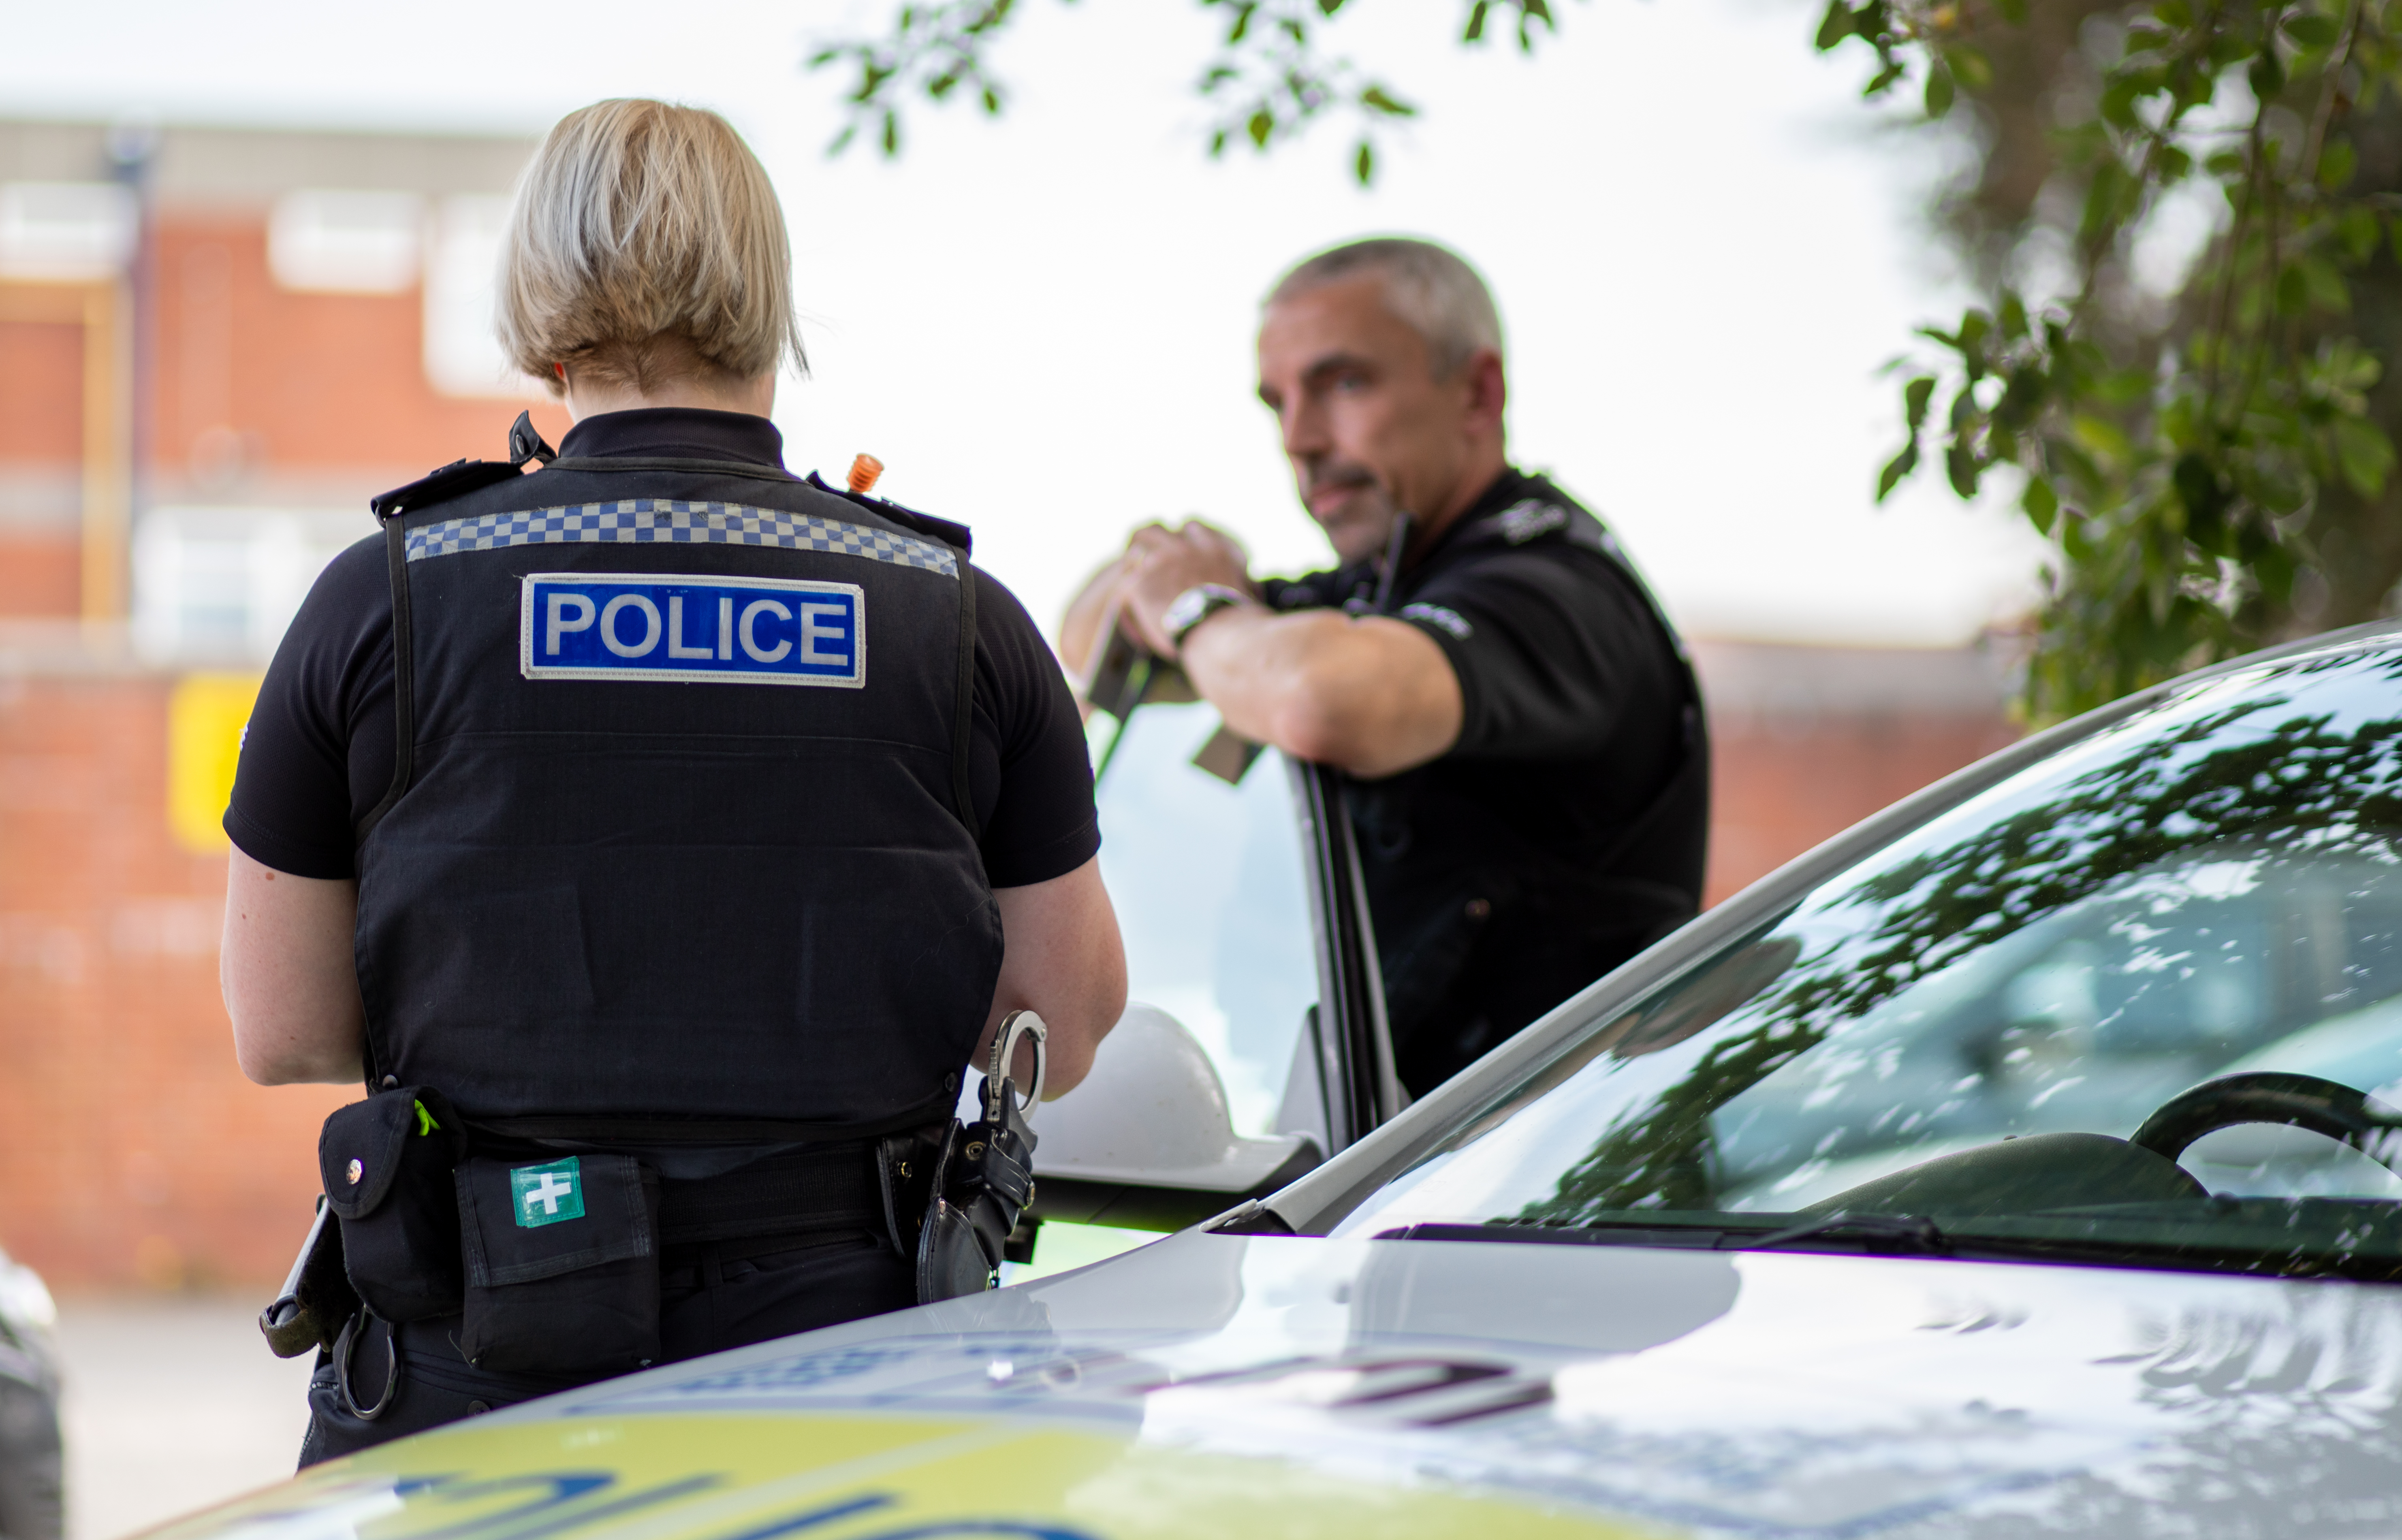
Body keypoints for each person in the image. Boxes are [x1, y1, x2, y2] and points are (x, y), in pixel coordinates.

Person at [219, 99, 1125, 1461]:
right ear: (768, 297)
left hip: (479, 1379)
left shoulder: (386, 601)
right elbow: (1065, 1008)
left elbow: (285, 1025)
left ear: (541, 301)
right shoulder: (952, 614)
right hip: (855, 1390)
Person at [1062, 237, 1705, 1097]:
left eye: (1344, 383)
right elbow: (1090, 639)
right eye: (1278, 402)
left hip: (1556, 1195)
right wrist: (1179, 582)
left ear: (1477, 392)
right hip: (1385, 1168)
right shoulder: (1383, 589)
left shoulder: (1558, 594)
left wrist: (1194, 607)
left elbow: (1319, 700)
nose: (1299, 438)